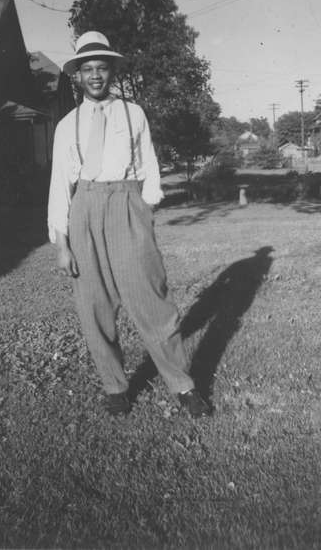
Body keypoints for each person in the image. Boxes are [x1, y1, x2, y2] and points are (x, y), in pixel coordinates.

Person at [48, 31, 209, 418]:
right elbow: (59, 184)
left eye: (102, 68)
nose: (96, 76)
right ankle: (115, 387)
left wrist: (144, 205)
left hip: (127, 202)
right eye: (88, 69)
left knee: (151, 298)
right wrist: (61, 242)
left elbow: (149, 165)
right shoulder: (66, 125)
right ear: (78, 75)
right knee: (95, 304)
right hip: (84, 207)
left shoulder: (132, 112)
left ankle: (182, 385)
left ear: (111, 71)